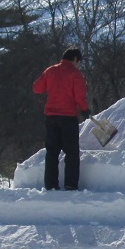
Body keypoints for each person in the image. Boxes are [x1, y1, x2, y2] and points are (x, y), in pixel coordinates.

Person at [32, 47, 90, 191]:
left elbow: (37, 88)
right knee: (71, 152)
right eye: (78, 62)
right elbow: (79, 96)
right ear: (75, 59)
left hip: (51, 117)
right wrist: (84, 110)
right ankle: (70, 184)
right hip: (68, 117)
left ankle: (51, 185)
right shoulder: (75, 74)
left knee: (52, 151)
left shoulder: (50, 70)